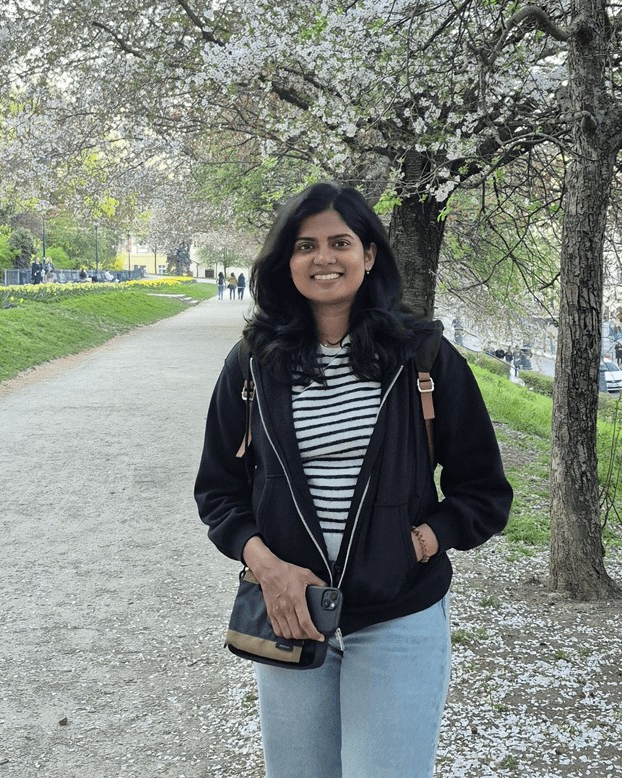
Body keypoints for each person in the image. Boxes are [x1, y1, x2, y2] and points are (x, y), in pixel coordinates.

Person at [194, 182, 512, 778]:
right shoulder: (252, 363)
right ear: (285, 263)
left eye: (340, 242)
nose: (324, 258)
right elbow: (218, 491)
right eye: (305, 245)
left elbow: (484, 492)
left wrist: (417, 541)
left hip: (399, 617)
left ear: (369, 256)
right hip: (291, 615)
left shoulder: (424, 359)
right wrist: (268, 569)